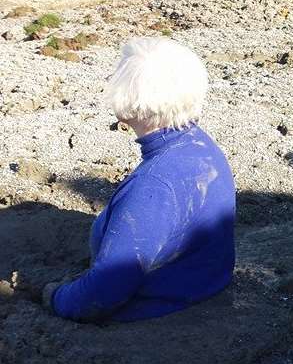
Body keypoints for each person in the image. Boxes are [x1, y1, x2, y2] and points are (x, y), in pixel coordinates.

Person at [42, 37, 236, 322]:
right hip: (204, 282)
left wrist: (56, 297)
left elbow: (103, 293)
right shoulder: (200, 146)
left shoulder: (154, 186)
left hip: (160, 308)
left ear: (128, 103)